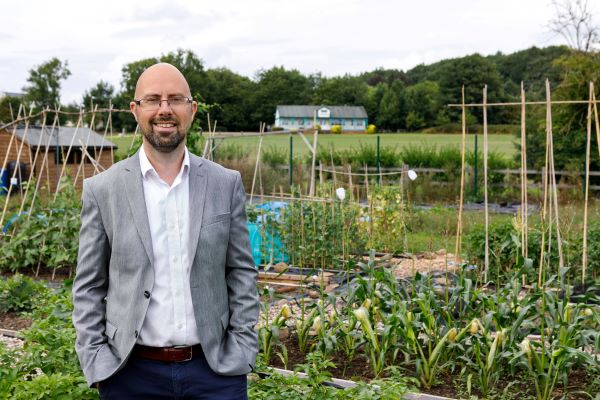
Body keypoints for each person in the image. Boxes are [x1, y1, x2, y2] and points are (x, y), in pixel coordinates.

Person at [72, 63, 259, 399]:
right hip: (130, 375)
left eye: (175, 99)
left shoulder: (224, 184)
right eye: (153, 100)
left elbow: (241, 272)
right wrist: (96, 360)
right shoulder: (103, 190)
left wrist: (242, 347)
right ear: (135, 110)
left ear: (192, 109)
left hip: (214, 373)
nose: (164, 110)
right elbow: (88, 286)